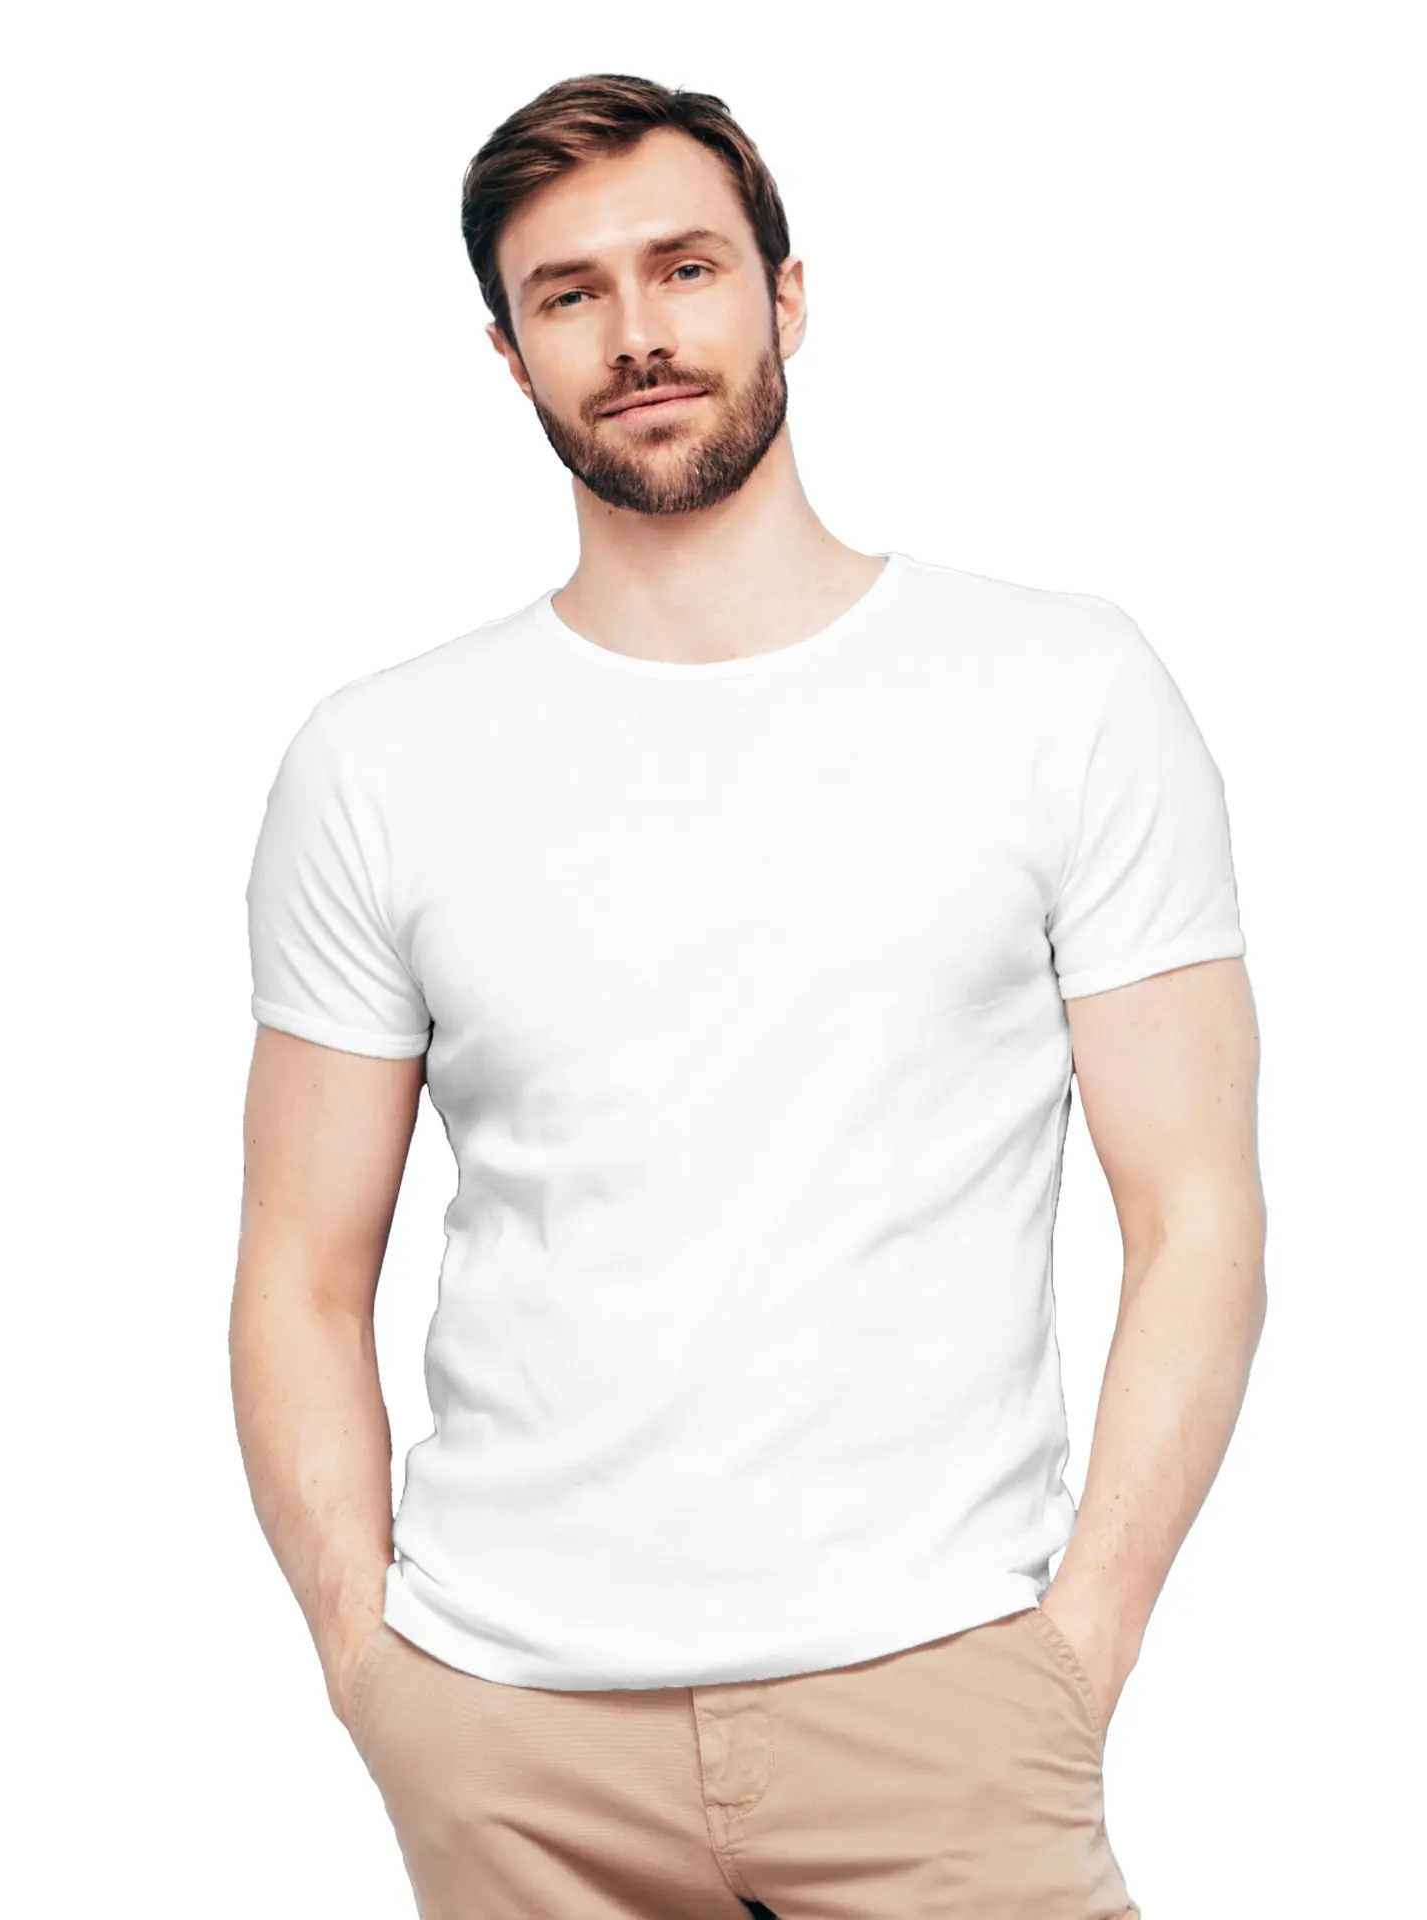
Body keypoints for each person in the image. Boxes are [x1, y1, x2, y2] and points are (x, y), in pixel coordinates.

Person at [232, 71, 1265, 1920]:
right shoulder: (378, 763)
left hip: (942, 1708)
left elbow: (1196, 1216)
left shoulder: (1064, 694)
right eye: (569, 294)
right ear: (508, 352)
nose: (636, 334)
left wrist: (1076, 1653)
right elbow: (304, 1265)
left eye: (685, 268)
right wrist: (370, 1671)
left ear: (787, 293)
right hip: (510, 1736)